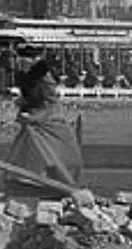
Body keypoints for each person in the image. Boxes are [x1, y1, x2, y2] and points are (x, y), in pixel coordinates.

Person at [6, 58, 83, 193]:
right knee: (33, 149)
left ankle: (50, 180)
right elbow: (33, 102)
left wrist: (32, 117)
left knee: (57, 153)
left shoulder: (45, 81)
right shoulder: (32, 80)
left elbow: (50, 104)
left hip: (49, 122)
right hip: (38, 122)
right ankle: (33, 180)